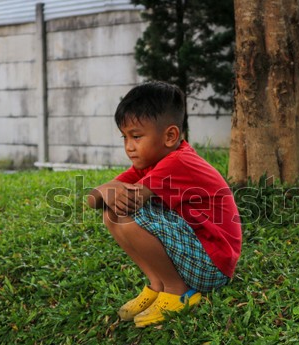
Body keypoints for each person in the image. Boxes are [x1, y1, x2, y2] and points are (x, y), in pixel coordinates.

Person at [87, 81, 241, 328]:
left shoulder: (178, 162)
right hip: (197, 255)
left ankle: (178, 291)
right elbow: (93, 200)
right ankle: (157, 285)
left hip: (213, 265)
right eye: (124, 137)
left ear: (170, 136)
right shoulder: (151, 162)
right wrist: (106, 190)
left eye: (136, 136)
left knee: (128, 211)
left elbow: (133, 200)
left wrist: (111, 189)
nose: (129, 146)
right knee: (111, 213)